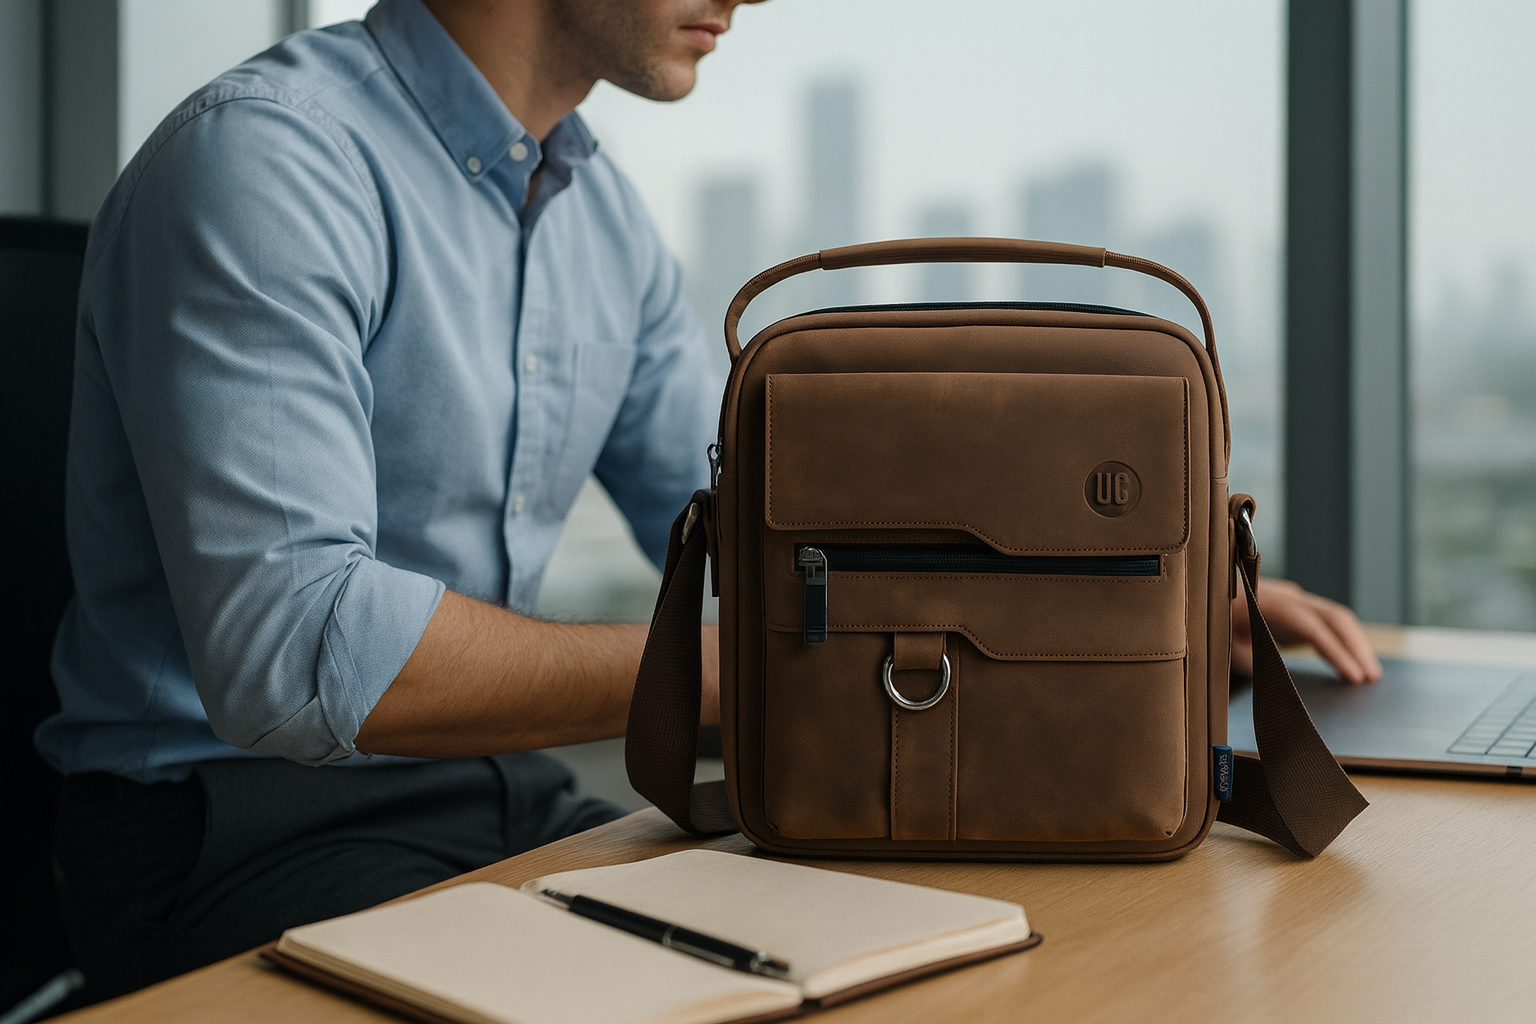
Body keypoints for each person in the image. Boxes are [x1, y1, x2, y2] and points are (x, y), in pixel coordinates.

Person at [35, 0, 1381, 1003]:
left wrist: (1131, 599)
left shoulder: (595, 213)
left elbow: (788, 512)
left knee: (975, 956)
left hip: (493, 804)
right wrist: (760, 674)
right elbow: (294, 652)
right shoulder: (272, 163)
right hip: (228, 840)